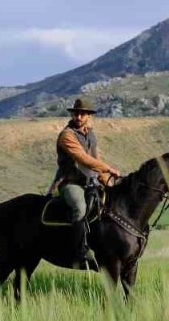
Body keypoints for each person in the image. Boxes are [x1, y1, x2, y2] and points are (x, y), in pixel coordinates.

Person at [46, 97, 122, 267]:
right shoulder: (67, 135)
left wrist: (108, 184)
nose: (79, 117)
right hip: (70, 182)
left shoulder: (91, 135)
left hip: (91, 182)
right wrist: (109, 169)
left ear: (89, 116)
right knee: (80, 207)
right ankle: (80, 251)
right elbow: (83, 159)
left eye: (83, 114)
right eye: (76, 114)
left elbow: (95, 159)